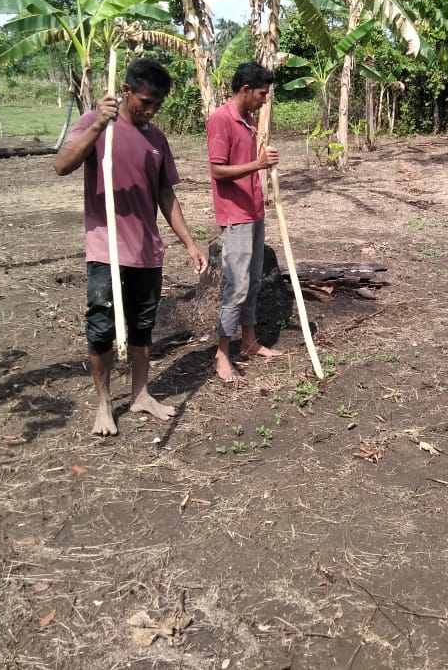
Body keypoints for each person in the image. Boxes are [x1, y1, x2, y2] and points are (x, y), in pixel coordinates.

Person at [55, 58, 208, 436]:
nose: (150, 110)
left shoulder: (156, 139)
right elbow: (62, 165)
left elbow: (164, 193)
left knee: (143, 327)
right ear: (125, 91)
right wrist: (97, 126)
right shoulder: (95, 122)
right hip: (106, 248)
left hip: (147, 251)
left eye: (157, 105)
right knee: (102, 327)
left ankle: (141, 393)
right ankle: (104, 404)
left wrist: (189, 242)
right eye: (144, 102)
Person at [206, 61, 284, 384]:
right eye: (262, 94)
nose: (265, 100)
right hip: (235, 217)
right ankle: (222, 354)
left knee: (253, 281)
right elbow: (217, 170)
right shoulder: (221, 120)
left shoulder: (248, 121)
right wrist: (258, 164)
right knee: (236, 285)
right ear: (246, 90)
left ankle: (248, 341)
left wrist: (260, 186)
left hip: (253, 212)